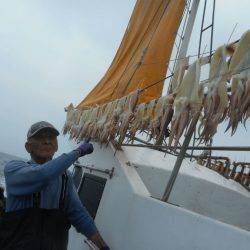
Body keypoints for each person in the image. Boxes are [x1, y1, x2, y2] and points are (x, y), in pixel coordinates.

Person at [0, 121, 110, 250]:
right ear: (27, 147)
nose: (47, 141)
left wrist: (103, 246)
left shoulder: (65, 177)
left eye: (51, 137)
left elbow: (79, 214)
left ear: (57, 146)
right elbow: (42, 174)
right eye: (40, 137)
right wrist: (78, 152)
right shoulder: (13, 169)